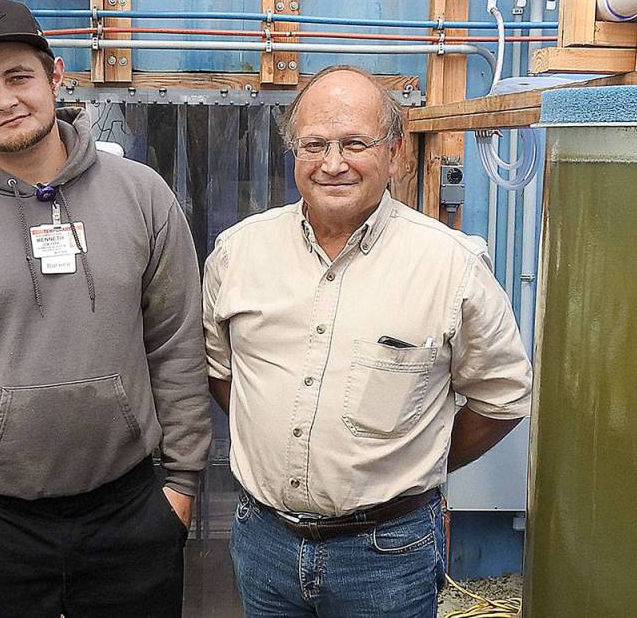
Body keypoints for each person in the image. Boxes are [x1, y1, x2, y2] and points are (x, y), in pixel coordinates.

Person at [0, 0, 211, 618]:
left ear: (55, 77)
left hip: (130, 513)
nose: (3, 101)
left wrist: (182, 484)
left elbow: (176, 346)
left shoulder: (142, 198)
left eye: (19, 77)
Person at [202, 65, 533, 617]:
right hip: (264, 543)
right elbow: (220, 373)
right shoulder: (239, 253)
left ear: (396, 152)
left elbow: (502, 398)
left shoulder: (450, 265)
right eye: (315, 144)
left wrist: (413, 462)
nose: (333, 163)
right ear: (295, 153)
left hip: (387, 554)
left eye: (354, 143)